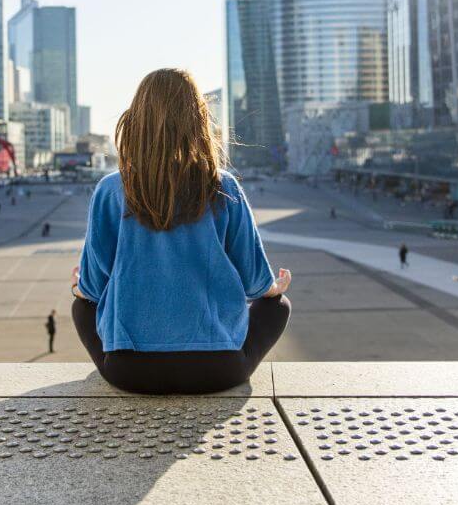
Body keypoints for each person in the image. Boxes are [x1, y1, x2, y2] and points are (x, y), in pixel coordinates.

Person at [71, 68, 292, 395]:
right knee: (279, 306)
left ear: (137, 121)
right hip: (218, 371)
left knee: (81, 306)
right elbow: (255, 283)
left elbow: (92, 288)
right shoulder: (223, 186)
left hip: (129, 373)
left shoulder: (111, 189)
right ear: (200, 120)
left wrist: (80, 289)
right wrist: (274, 289)